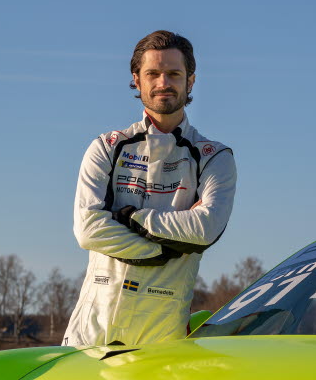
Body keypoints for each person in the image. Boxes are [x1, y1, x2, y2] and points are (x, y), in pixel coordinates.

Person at [63, 30, 237, 346]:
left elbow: (205, 228)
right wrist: (165, 248)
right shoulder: (107, 147)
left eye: (174, 74)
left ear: (191, 81)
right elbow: (88, 230)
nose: (163, 83)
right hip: (90, 334)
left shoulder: (215, 157)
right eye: (152, 74)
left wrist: (129, 219)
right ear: (136, 79)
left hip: (161, 336)